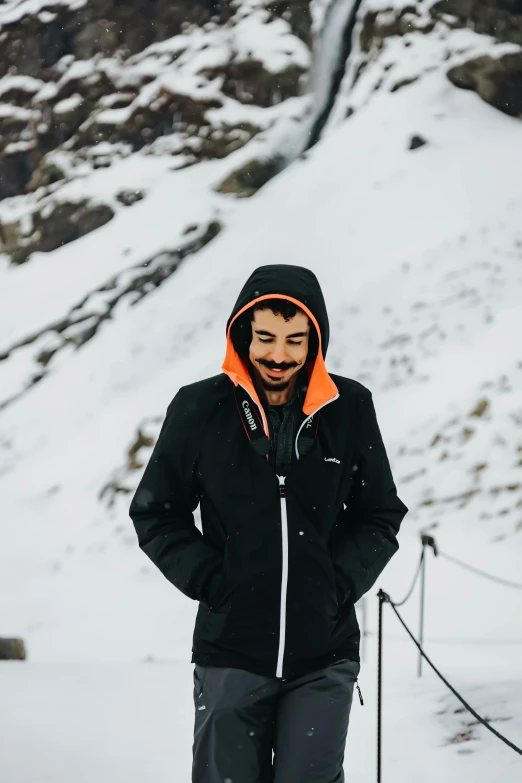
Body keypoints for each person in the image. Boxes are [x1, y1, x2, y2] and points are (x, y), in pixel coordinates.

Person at [129, 264, 408, 782]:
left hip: (323, 654)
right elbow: (156, 512)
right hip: (231, 650)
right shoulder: (199, 408)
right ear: (242, 334)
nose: (278, 355)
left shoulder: (349, 410)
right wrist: (215, 582)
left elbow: (379, 514)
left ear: (314, 342)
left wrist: (337, 583)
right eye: (265, 338)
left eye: (295, 341)